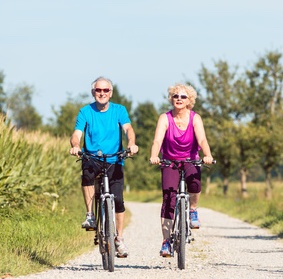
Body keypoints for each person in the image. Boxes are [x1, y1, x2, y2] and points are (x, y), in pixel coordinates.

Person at [69, 76, 138, 258]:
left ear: (111, 92)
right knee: (87, 176)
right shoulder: (85, 111)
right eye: (98, 90)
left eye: (105, 90)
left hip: (115, 159)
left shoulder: (119, 110)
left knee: (118, 200)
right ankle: (90, 215)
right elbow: (77, 134)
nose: (102, 93)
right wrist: (75, 145)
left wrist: (131, 143)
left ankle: (119, 239)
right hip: (92, 157)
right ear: (93, 92)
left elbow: (128, 129)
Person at [150, 83, 213, 257]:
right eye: (176, 96)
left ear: (189, 101)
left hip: (190, 159)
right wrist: (154, 155)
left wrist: (207, 155)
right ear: (171, 99)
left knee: (195, 185)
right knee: (169, 199)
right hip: (170, 161)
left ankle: (192, 210)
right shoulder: (165, 118)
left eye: (183, 96)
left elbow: (202, 140)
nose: (179, 99)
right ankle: (166, 242)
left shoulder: (195, 118)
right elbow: (157, 140)